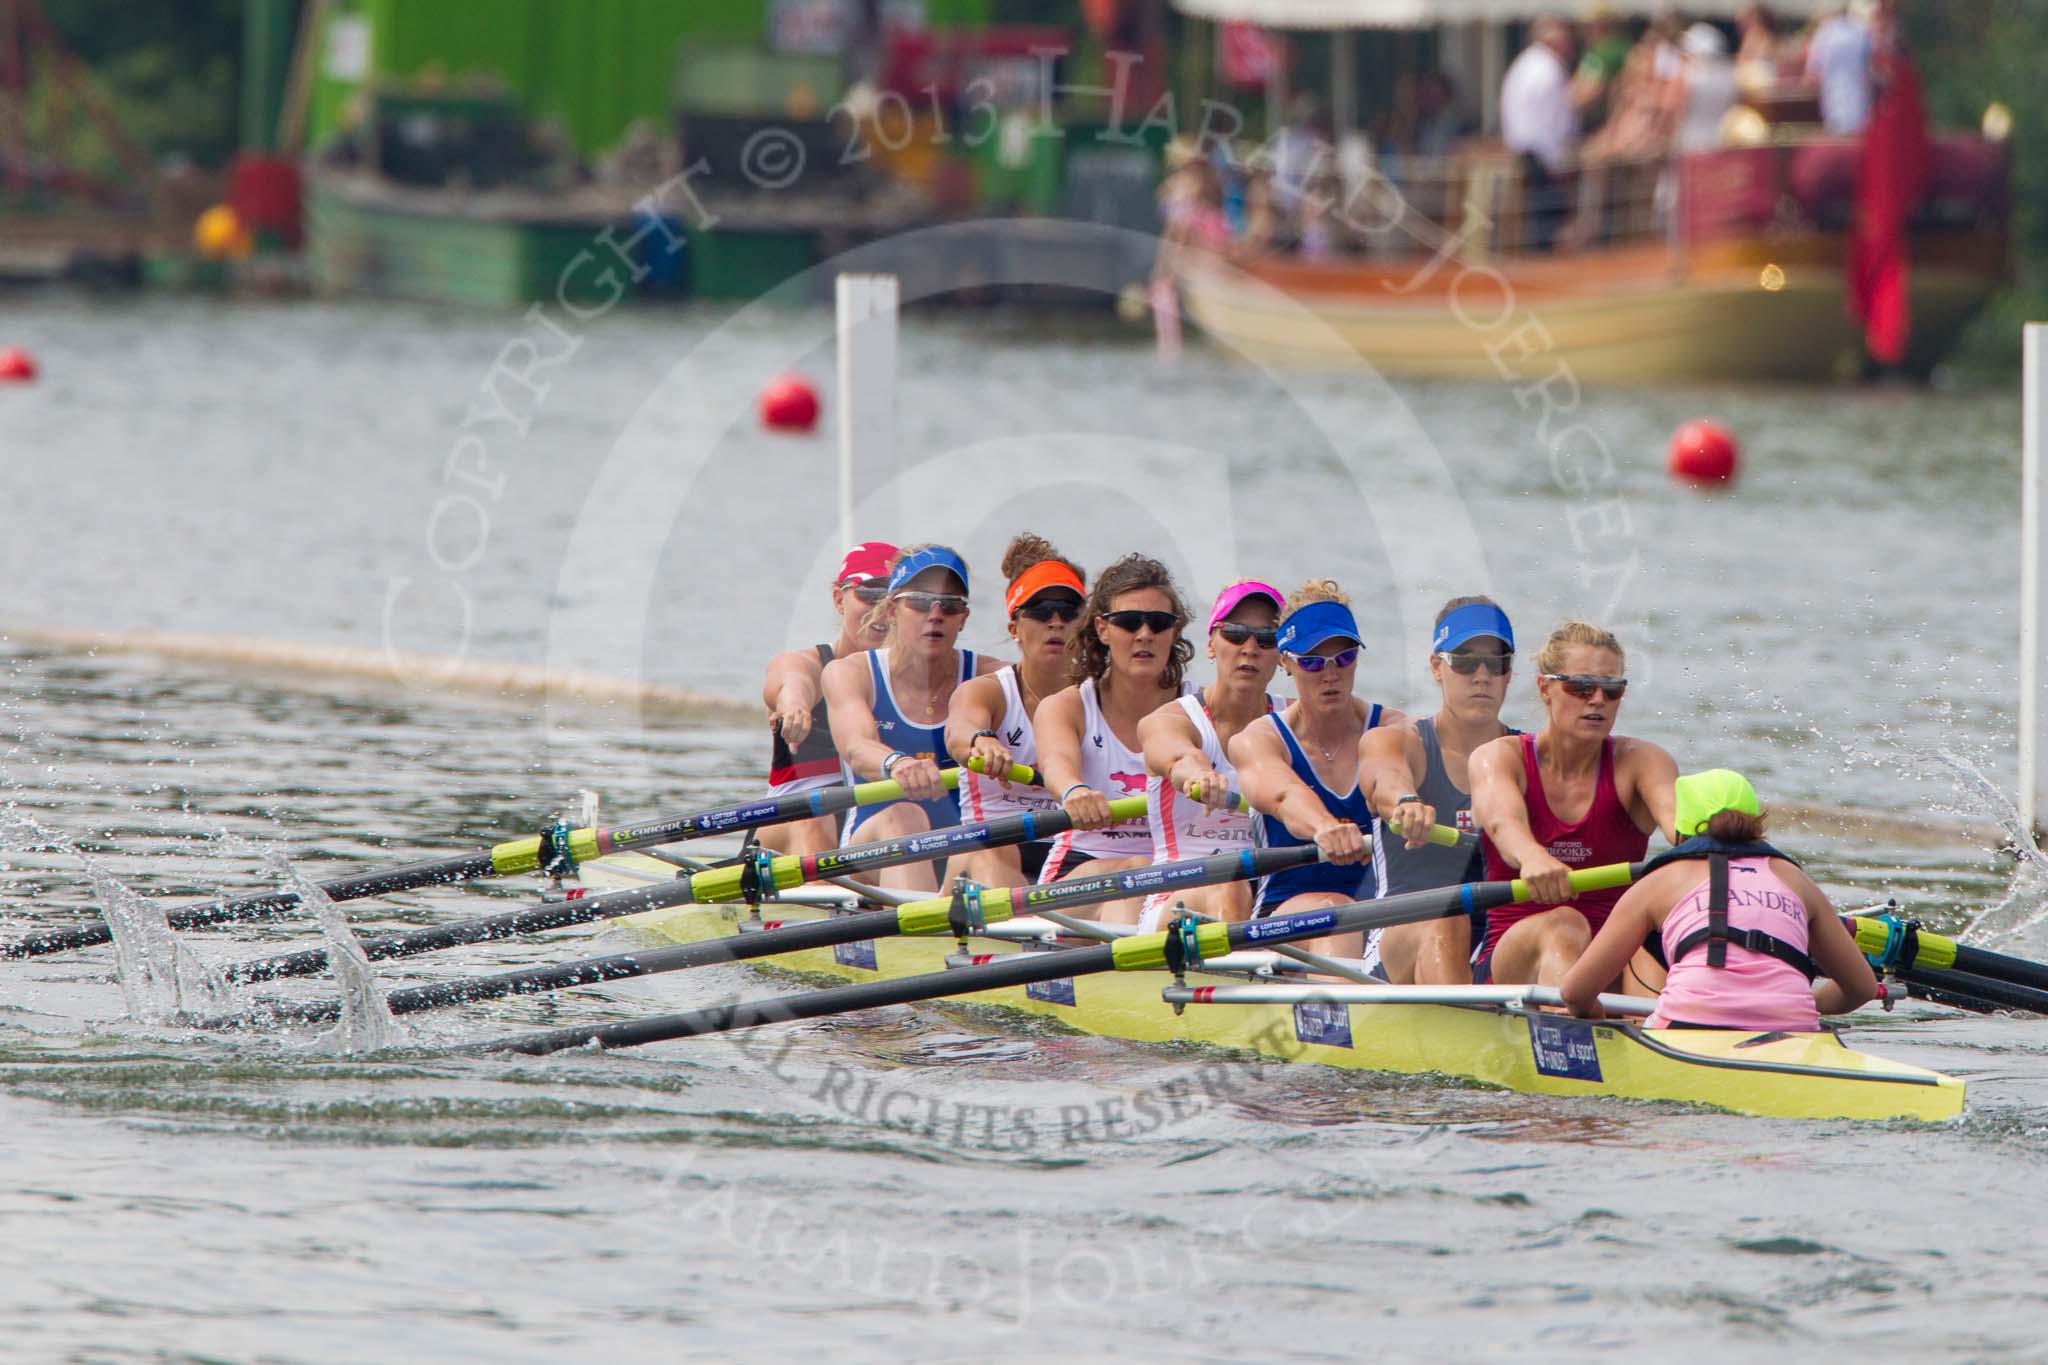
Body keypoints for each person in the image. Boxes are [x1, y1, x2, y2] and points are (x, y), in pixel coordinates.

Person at [1561, 770, 1879, 1029]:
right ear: (1756, 822)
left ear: (1680, 830)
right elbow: (1862, 988)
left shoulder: (1658, 882)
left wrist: (1596, 1020)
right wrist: (1808, 1005)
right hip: (1791, 1029)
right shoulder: (1796, 880)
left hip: (1688, 1027)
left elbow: (1575, 992)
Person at [1469, 621, 1677, 988]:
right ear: (1545, 688)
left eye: (1611, 689)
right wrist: (1532, 857)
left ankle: (1671, 1034)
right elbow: (1503, 822)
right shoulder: (1498, 758)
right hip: (1515, 959)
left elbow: (1681, 826)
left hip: (1613, 957)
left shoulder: (1643, 762)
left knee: (1662, 943)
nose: (1597, 699)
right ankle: (1569, 1031)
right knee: (1566, 924)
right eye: (1580, 686)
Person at [1232, 582, 1408, 958]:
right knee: (1334, 911)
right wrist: (1324, 828)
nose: (1330, 674)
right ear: (1285, 662)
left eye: (1343, 658)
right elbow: (1282, 795)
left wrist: (1407, 804)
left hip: (1379, 915)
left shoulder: (1394, 727)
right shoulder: (1259, 739)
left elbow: (1392, 775)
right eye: (1312, 662)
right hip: (1285, 917)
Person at [1360, 597, 1519, 985]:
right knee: (1445, 918)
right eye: (1464, 661)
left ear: (1509, 673)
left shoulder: (1525, 754)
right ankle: (1462, 1033)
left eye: (1495, 662)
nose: (1481, 675)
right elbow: (1385, 776)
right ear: (1437, 667)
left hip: (1497, 938)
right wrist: (1405, 802)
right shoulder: (1401, 741)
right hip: (1403, 929)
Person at [822, 544, 998, 891]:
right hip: (873, 848)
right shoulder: (851, 673)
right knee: (905, 817)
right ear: (891, 609)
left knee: (994, 849)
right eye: (919, 601)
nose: (934, 614)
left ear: (963, 618)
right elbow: (857, 747)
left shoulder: (993, 678)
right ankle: (921, 939)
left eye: (949, 605)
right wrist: (897, 764)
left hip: (960, 855)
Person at [1034, 554, 1198, 924]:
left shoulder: (1198, 711)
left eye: (1158, 623)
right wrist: (1074, 792)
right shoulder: (1068, 707)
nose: (1144, 635)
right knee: (1137, 869)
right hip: (1080, 868)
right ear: (1102, 629)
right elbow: (1056, 763)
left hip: (1175, 873)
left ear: (1174, 632)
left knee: (1149, 875)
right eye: (1128, 622)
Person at [1135, 580, 1285, 929]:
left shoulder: (1295, 721)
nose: (1250, 648)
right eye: (1235, 634)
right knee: (1229, 886)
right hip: (1178, 891)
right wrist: (1199, 774)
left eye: (1266, 638)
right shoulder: (1170, 719)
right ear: (1211, 645)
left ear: (1282, 654)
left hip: (1270, 894)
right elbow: (1176, 755)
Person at [945, 534, 1088, 887]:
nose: (1055, 622)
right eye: (1040, 613)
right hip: (990, 845)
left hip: (1070, 854)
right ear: (1015, 629)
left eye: (1069, 613)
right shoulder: (988, 691)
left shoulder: (1100, 699)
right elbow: (960, 730)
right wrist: (981, 740)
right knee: (996, 854)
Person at [757, 541, 895, 857]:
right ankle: (825, 895)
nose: (880, 611)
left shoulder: (918, 686)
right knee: (814, 819)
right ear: (839, 599)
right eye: (869, 594)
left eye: (891, 599)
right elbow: (792, 681)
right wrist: (794, 705)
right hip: (793, 826)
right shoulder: (806, 663)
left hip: (871, 830)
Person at [1502, 16, 1579, 252]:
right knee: (1546, 210)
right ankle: (1543, 257)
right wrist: (1556, 157)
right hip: (1541, 148)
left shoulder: (1527, 63)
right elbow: (1550, 117)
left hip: (1527, 145)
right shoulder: (1547, 68)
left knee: (1539, 207)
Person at [1804, 1, 1873, 135]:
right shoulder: (1861, 32)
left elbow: (1812, 75)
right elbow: (1870, 69)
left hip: (1834, 109)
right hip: (1860, 109)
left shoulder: (1824, 35)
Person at [1673, 23, 1739, 154]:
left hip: (1689, 143)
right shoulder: (1730, 76)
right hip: (1720, 142)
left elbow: (1676, 107)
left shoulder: (1688, 75)